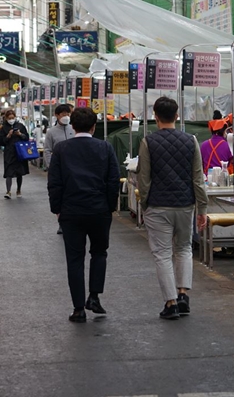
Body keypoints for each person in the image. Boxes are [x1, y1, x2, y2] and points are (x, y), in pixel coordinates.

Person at [47, 107, 121, 323]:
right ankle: (95, 296)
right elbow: (113, 179)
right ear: (94, 126)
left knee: (75, 259)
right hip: (99, 210)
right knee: (99, 253)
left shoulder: (61, 149)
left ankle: (78, 308)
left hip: (71, 211)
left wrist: (57, 209)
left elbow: (55, 183)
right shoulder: (105, 148)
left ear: (72, 126)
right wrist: (109, 206)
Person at [137, 97, 208, 320]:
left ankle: (171, 303)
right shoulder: (192, 141)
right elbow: (198, 178)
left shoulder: (148, 142)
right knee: (184, 249)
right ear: (177, 116)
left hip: (158, 206)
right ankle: (183, 294)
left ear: (155, 117)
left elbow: (144, 179)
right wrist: (202, 208)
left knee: (162, 255)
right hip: (185, 205)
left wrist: (144, 204)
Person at [44, 104, 74, 234]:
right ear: (56, 116)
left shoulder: (74, 129)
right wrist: (50, 167)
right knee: (59, 196)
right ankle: (61, 222)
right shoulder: (51, 132)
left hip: (74, 169)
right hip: (58, 169)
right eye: (63, 114)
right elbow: (47, 150)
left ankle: (72, 220)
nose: (66, 117)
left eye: (68, 114)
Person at [0, 109, 30, 199]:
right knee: (9, 172)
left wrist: (20, 134)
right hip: (9, 153)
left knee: (19, 172)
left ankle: (18, 189)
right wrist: (8, 136)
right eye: (9, 118)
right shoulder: (4, 128)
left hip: (20, 152)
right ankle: (8, 191)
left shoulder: (21, 126)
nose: (11, 119)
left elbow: (26, 138)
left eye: (13, 117)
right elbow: (0, 141)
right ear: (6, 118)